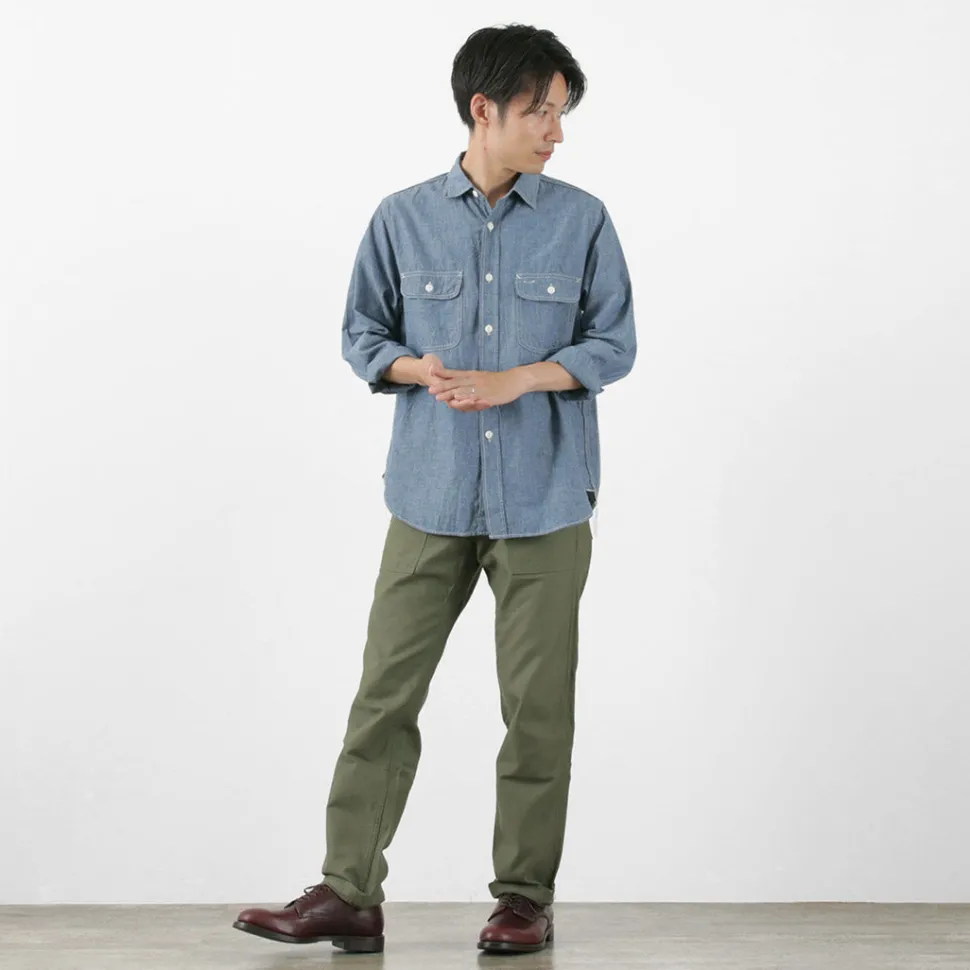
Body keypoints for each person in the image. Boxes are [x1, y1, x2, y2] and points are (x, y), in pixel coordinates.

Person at [233, 22, 636, 955]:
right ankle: (348, 892)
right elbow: (361, 334)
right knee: (384, 694)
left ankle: (523, 899)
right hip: (429, 495)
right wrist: (418, 369)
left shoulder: (583, 220)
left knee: (537, 709)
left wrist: (519, 378)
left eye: (562, 113)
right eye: (542, 111)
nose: (557, 132)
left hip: (545, 500)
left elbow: (614, 344)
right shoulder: (401, 217)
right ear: (483, 108)